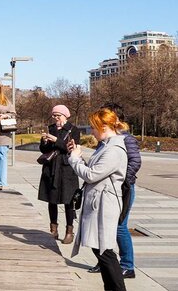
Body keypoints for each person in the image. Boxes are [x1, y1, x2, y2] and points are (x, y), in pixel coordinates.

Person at [67, 108, 128, 291]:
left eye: (93, 127)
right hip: (98, 202)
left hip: (104, 205)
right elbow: (95, 171)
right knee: (100, 249)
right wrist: (79, 157)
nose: (91, 132)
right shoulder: (107, 146)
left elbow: (92, 175)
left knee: (104, 250)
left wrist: (74, 160)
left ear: (104, 127)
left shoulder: (114, 149)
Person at [87, 103, 141, 279]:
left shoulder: (126, 139)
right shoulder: (107, 139)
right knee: (104, 227)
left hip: (122, 188)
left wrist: (122, 181)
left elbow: (135, 162)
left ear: (114, 118)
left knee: (120, 226)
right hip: (106, 188)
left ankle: (127, 265)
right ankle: (105, 261)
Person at [38, 104, 81, 244]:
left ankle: (69, 231)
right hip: (51, 168)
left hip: (67, 169)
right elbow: (43, 150)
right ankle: (53, 229)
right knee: (52, 199)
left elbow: (70, 149)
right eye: (54, 115)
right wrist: (44, 142)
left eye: (58, 115)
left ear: (65, 116)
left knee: (68, 200)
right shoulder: (50, 128)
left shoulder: (73, 130)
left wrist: (56, 140)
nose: (56, 118)